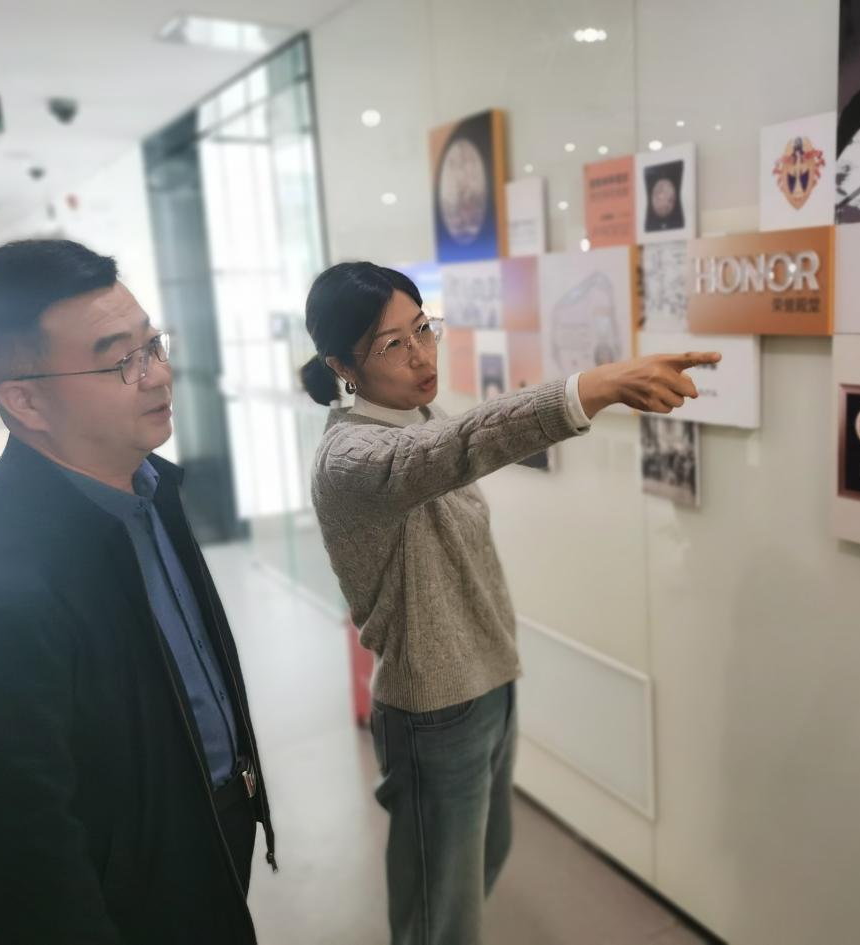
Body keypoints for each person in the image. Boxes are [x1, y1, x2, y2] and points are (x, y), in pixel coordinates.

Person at [299, 262, 718, 945]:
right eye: (393, 345)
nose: (422, 356)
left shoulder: (419, 413)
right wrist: (592, 388)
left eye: (422, 329)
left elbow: (449, 448)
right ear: (342, 365)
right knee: (441, 916)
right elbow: (462, 444)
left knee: (479, 869)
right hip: (433, 708)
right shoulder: (349, 459)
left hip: (488, 682)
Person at [0, 239, 275, 944]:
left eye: (153, 345)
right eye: (120, 361)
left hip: (210, 825)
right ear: (25, 400)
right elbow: (20, 841)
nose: (159, 374)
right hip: (126, 889)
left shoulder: (152, 483)